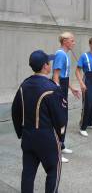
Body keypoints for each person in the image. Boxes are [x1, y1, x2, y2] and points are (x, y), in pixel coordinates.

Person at [12, 50, 67, 193]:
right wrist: (61, 138)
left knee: (28, 174)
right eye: (49, 62)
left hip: (28, 136)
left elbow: (15, 111)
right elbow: (60, 118)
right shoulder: (51, 88)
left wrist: (20, 132)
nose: (50, 64)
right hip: (46, 137)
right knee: (53, 171)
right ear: (45, 66)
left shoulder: (24, 85)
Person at [53, 32, 80, 163]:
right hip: (59, 89)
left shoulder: (65, 55)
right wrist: (57, 92)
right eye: (72, 40)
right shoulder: (60, 54)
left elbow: (65, 76)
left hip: (64, 86)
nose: (74, 43)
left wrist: (72, 88)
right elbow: (56, 75)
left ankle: (61, 145)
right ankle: (56, 151)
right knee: (60, 119)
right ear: (65, 41)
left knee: (64, 118)